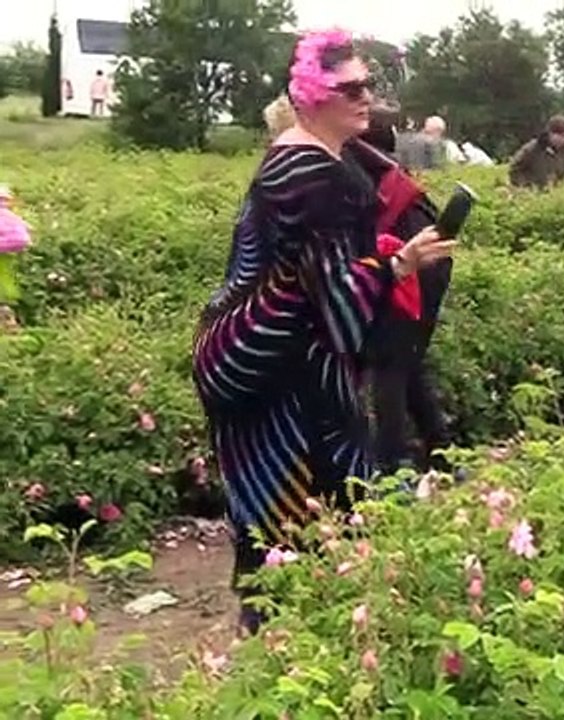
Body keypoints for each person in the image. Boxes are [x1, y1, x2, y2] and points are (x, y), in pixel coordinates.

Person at [191, 29, 454, 636]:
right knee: (319, 505)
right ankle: (301, 650)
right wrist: (399, 267)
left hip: (244, 355)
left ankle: (270, 630)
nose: (367, 98)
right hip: (285, 370)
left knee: (266, 507)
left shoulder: (293, 154)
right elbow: (337, 307)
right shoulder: (323, 177)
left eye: (368, 85)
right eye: (350, 88)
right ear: (312, 97)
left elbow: (302, 277)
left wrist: (392, 263)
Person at [346, 106, 455, 475]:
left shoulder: (354, 165)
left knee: (389, 362)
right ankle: (442, 450)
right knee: (408, 360)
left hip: (412, 266)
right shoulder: (378, 165)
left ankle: (391, 466)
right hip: (426, 261)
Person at [508, 115, 564, 191]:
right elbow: (514, 170)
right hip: (533, 196)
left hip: (553, 196)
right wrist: (526, 187)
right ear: (551, 134)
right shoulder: (532, 149)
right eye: (561, 136)